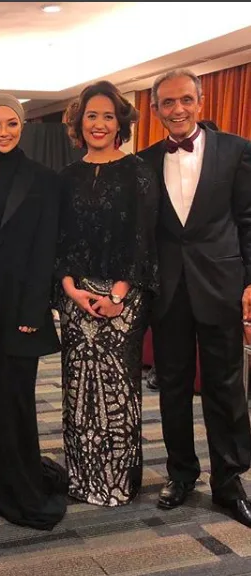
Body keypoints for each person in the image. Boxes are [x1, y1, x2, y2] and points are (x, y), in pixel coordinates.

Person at [138, 68, 251, 527]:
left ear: (200, 102)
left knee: (226, 387)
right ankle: (181, 473)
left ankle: (229, 481)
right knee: (174, 386)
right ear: (155, 109)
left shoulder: (237, 150)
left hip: (221, 284)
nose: (178, 109)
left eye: (186, 99)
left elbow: (248, 219)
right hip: (168, 290)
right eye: (168, 102)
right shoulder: (144, 161)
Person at [56, 80, 159, 506]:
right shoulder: (66, 176)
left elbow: (143, 239)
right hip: (75, 299)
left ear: (121, 123)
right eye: (91, 116)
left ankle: (117, 482)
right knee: (78, 390)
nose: (99, 124)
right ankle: (82, 479)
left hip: (123, 300)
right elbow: (60, 241)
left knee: (117, 390)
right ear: (79, 122)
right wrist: (70, 290)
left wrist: (117, 295)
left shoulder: (138, 171)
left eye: (108, 116)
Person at [0, 94, 67, 530]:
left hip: (22, 304)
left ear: (22, 126)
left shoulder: (43, 178)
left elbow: (47, 247)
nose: (3, 132)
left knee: (18, 400)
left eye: (11, 123)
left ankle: (21, 485)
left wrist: (35, 309)